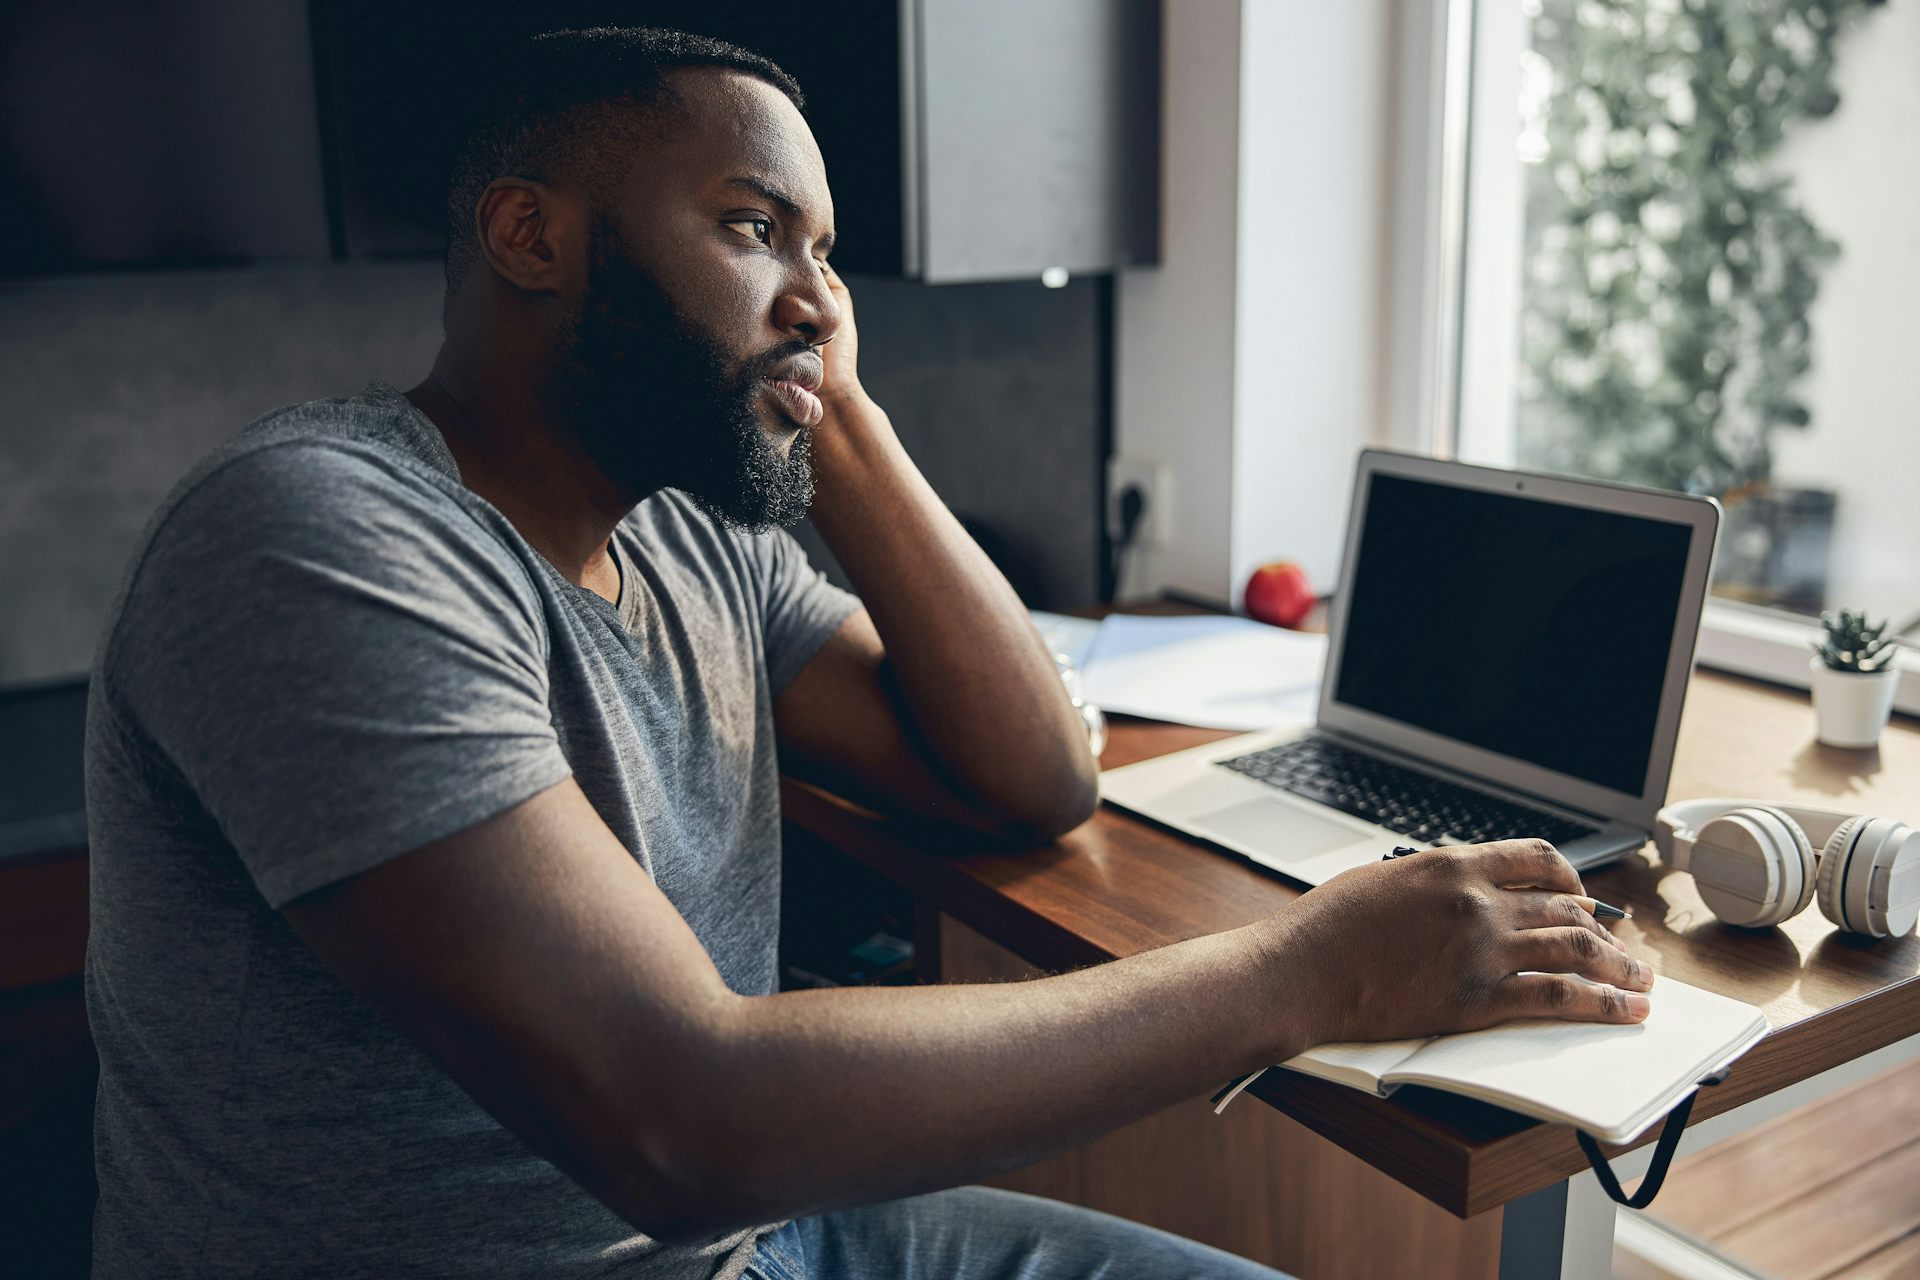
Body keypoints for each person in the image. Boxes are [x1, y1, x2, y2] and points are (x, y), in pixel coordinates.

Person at [83, 26, 1655, 1280]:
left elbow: (1033, 775)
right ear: (529, 237)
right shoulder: (316, 536)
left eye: (827, 258)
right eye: (754, 228)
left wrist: (832, 405)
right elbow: (679, 1116)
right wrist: (1306, 971)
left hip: (746, 1247)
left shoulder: (688, 536)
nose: (818, 297)